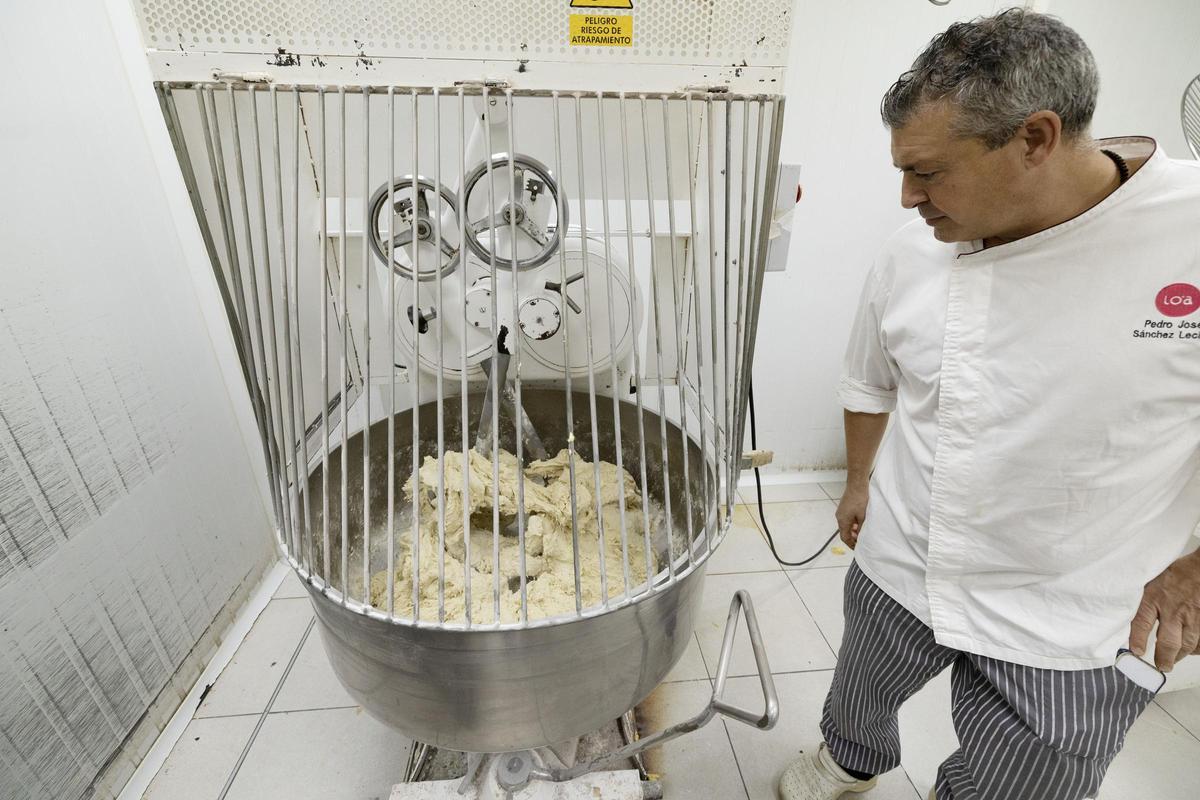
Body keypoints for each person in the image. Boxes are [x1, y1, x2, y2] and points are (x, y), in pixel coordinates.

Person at [777, 9, 1200, 800]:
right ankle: (850, 761)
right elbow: (870, 381)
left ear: (1035, 139)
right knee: (860, 692)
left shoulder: (1190, 233)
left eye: (929, 172)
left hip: (1075, 605)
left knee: (1020, 785)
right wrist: (861, 481)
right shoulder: (913, 252)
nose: (907, 197)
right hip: (906, 556)